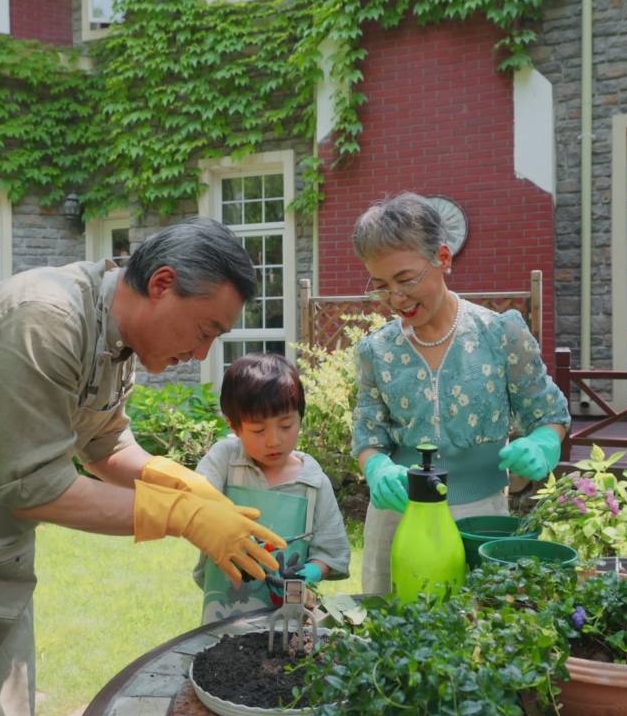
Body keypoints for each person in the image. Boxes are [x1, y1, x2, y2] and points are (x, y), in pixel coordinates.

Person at [0, 217, 287, 716]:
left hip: (1, 566)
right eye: (205, 331)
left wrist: (180, 483)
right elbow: (35, 486)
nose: (201, 355)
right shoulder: (48, 316)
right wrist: (183, 516)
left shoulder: (116, 338)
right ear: (161, 284)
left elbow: (105, 441)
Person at [351, 193, 570, 594]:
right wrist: (377, 468)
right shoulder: (375, 350)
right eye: (380, 286)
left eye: (406, 279)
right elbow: (369, 435)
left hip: (480, 519)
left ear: (444, 258)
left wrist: (542, 443)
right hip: (398, 517)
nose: (396, 299)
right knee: (394, 638)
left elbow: (548, 412)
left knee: (479, 632)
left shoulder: (500, 333)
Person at [192, 353, 350, 623]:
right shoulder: (225, 460)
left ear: (300, 417)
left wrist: (310, 573)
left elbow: (332, 553)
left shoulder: (313, 482)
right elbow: (196, 497)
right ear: (234, 425)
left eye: (286, 425)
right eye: (257, 430)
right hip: (223, 614)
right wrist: (227, 526)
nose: (273, 441)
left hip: (289, 620)